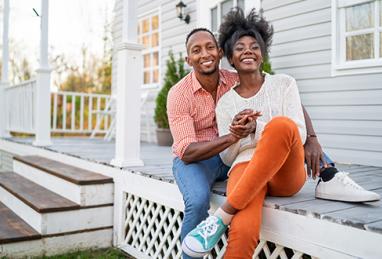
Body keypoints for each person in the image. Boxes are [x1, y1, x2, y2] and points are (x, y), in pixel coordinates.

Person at [181, 8, 380, 258]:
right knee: (243, 225)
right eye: (240, 47)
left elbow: (296, 131)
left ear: (262, 54)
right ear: (230, 59)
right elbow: (228, 158)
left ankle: (220, 217)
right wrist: (236, 135)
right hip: (246, 167)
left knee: (281, 125)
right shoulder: (225, 104)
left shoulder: (285, 84)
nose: (247, 51)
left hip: (285, 173)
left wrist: (258, 128)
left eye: (254, 46)